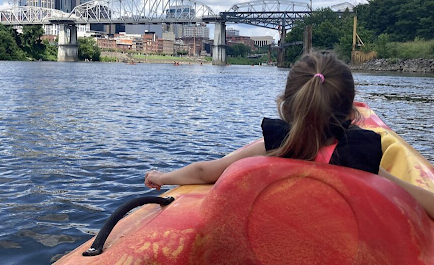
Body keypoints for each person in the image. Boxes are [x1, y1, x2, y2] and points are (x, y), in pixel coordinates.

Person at [145, 52, 434, 219]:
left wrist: (163, 176)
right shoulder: (361, 158)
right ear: (351, 112)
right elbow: (421, 200)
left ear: (286, 104)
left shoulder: (275, 146)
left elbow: (204, 171)